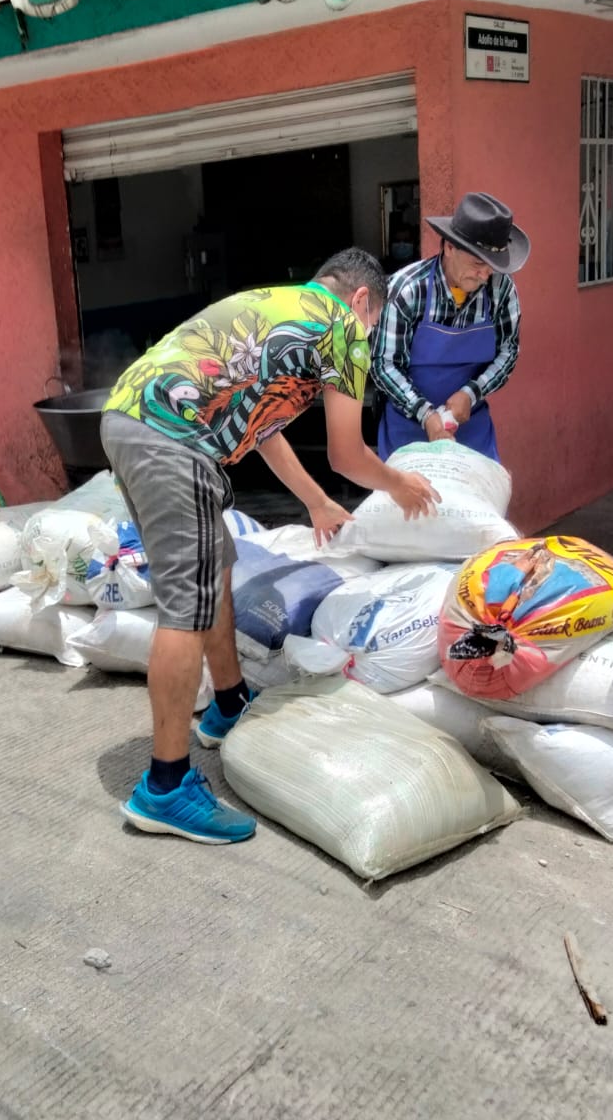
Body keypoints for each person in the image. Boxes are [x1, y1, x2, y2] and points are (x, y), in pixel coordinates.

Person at [99, 249, 442, 844]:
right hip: (171, 437)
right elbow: (346, 454)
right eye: (372, 322)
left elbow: (265, 429)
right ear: (361, 300)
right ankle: (165, 787)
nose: (366, 338)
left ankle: (228, 700)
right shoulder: (341, 325)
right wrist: (399, 482)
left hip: (134, 419)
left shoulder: (280, 308)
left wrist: (313, 501)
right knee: (186, 606)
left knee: (216, 567)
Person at [371, 192, 530, 462]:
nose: (484, 274)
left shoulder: (501, 290)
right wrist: (426, 415)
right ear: (449, 248)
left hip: (471, 426)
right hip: (407, 426)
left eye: (492, 266)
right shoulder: (406, 290)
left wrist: (471, 393)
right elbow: (383, 365)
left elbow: (508, 351)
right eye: (478, 263)